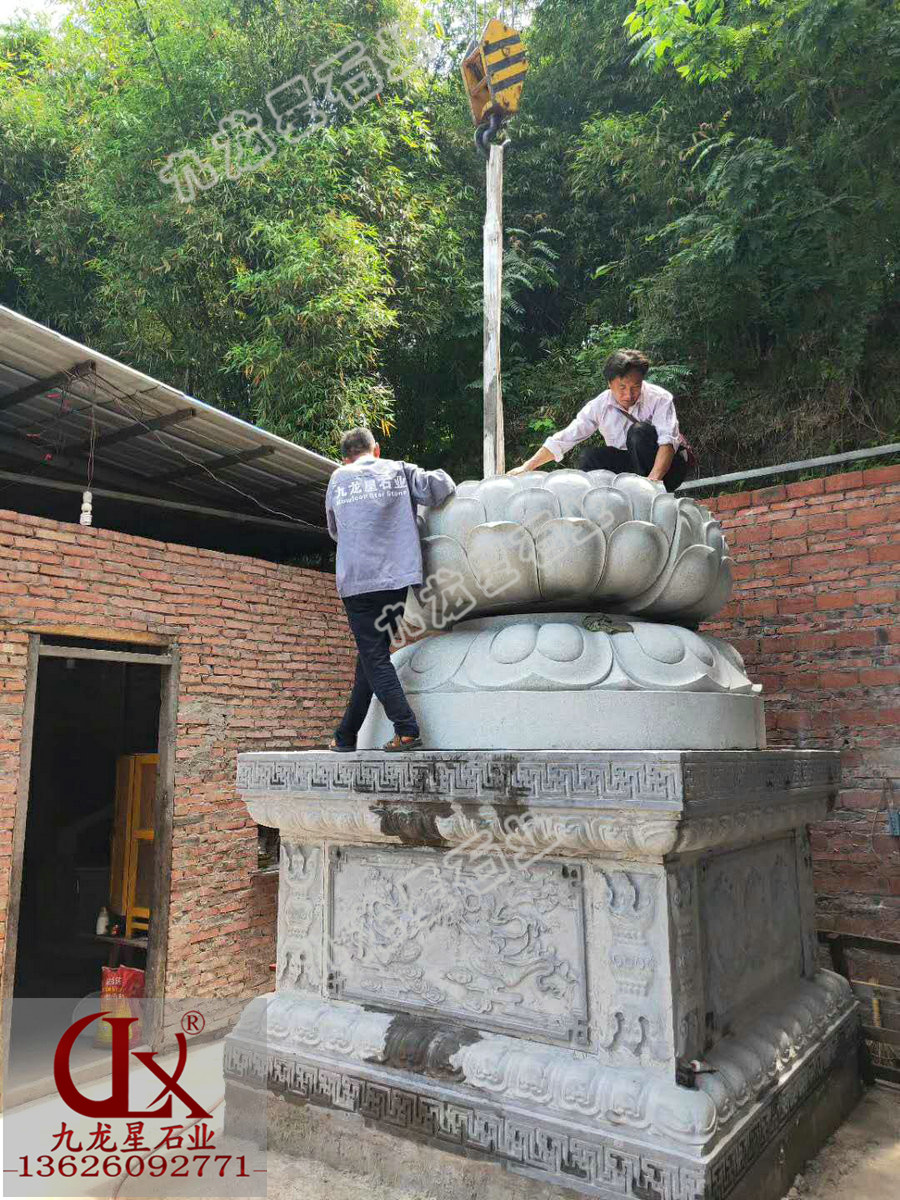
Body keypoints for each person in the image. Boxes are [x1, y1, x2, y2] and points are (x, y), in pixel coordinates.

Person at [325, 427, 456, 753]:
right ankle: (345, 736)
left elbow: (335, 530)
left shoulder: (338, 479)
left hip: (358, 583)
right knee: (371, 658)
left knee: (374, 657)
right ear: (377, 449)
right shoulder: (399, 470)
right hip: (396, 580)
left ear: (345, 458)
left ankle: (406, 728)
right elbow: (441, 486)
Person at [508, 349, 689, 491]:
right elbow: (566, 437)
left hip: (668, 469)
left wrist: (651, 484)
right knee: (589, 457)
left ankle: (646, 490)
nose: (629, 395)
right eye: (622, 387)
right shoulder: (600, 405)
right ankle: (602, 501)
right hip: (631, 467)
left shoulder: (659, 398)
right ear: (609, 384)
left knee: (639, 431)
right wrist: (527, 466)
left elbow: (667, 443)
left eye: (635, 387)